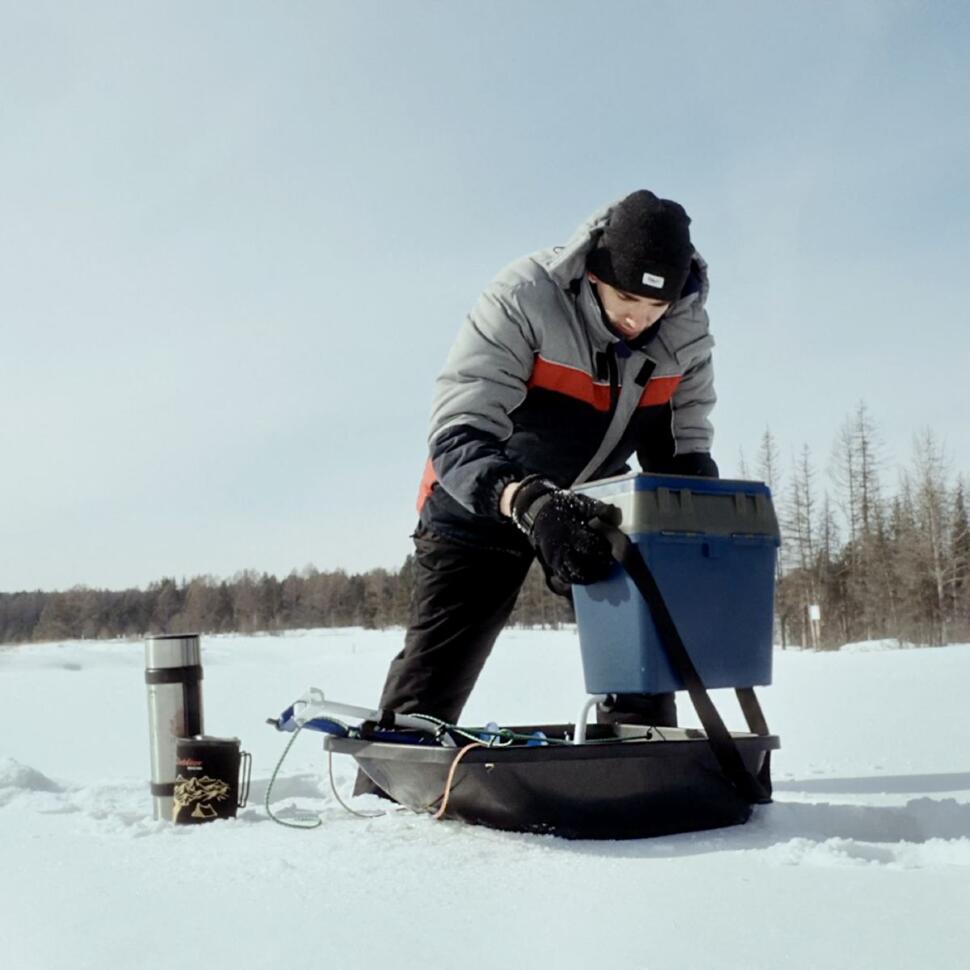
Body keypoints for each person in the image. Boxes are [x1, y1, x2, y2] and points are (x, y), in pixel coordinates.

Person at [356, 190, 718, 795]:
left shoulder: (684, 330)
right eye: (627, 299)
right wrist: (527, 502)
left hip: (587, 508)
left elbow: (682, 450)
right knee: (433, 680)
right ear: (594, 273)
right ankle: (384, 806)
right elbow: (458, 430)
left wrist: (697, 535)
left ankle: (645, 790)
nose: (640, 319)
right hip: (480, 500)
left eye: (656, 304)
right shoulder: (525, 296)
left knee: (641, 654)